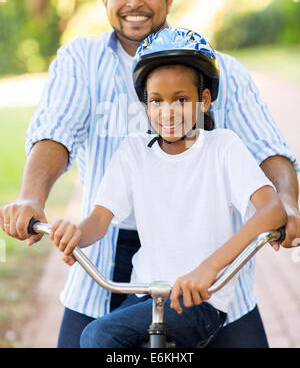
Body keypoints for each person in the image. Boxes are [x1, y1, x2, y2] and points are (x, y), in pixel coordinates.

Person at [0, 0, 298, 348]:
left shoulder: (220, 72)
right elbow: (56, 132)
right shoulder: (82, 62)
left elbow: (267, 147)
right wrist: (33, 199)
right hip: (112, 250)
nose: (134, 2)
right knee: (90, 339)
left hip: (210, 253)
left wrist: (288, 203)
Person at [49, 28, 287, 348]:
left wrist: (208, 269)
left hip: (201, 300)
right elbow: (100, 219)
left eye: (181, 99)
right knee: (104, 336)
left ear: (203, 101)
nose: (168, 112)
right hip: (145, 293)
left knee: (98, 335)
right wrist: (76, 233)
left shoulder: (223, 148)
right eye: (157, 101)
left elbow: (272, 210)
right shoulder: (134, 151)